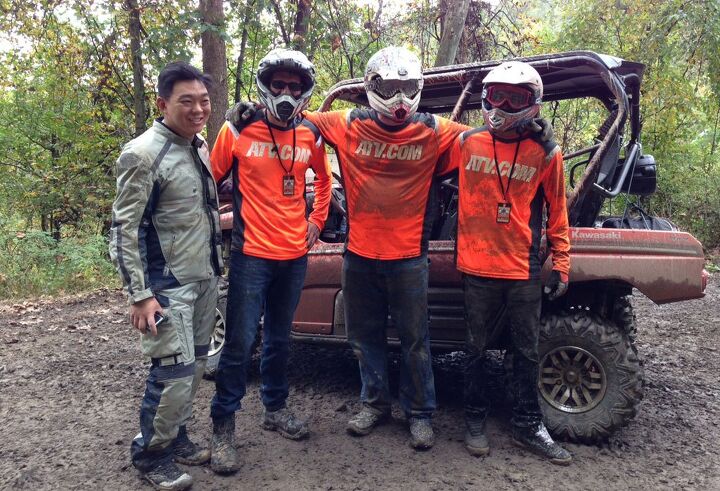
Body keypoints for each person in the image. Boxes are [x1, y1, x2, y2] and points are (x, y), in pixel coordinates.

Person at [226, 46, 552, 450]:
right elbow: (291, 115)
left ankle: (419, 413)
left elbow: (487, 139)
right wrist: (248, 111)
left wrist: (533, 130)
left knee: (416, 340)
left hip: (409, 258)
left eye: (407, 88)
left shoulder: (436, 129)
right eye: (390, 88)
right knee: (364, 338)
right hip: (359, 254)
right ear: (372, 87)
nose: (399, 99)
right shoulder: (346, 123)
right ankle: (374, 404)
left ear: (417, 89)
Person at [439, 61, 572, 464]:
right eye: (497, 95)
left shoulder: (546, 152)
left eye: (514, 98)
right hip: (476, 265)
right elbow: (415, 143)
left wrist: (562, 260)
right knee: (474, 349)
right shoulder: (467, 142)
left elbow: (558, 210)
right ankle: (475, 420)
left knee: (526, 352)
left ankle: (528, 425)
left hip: (522, 267)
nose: (502, 105)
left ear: (532, 103)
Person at [207, 48, 332, 474]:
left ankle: (274, 409)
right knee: (240, 344)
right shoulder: (238, 129)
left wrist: (317, 219)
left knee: (280, 339)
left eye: (293, 87)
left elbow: (324, 177)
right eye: (278, 85)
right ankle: (223, 427)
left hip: (294, 256)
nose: (285, 93)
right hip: (250, 255)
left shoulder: (311, 133)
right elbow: (210, 180)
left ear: (304, 92)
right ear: (265, 87)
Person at [109, 61, 223, 490]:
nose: (198, 109)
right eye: (186, 102)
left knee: (193, 369)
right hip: (167, 288)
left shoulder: (198, 145)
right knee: (171, 373)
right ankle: (151, 455)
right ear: (163, 104)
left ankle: (175, 436)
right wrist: (139, 295)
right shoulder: (141, 154)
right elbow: (125, 229)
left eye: (204, 101)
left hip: (203, 280)